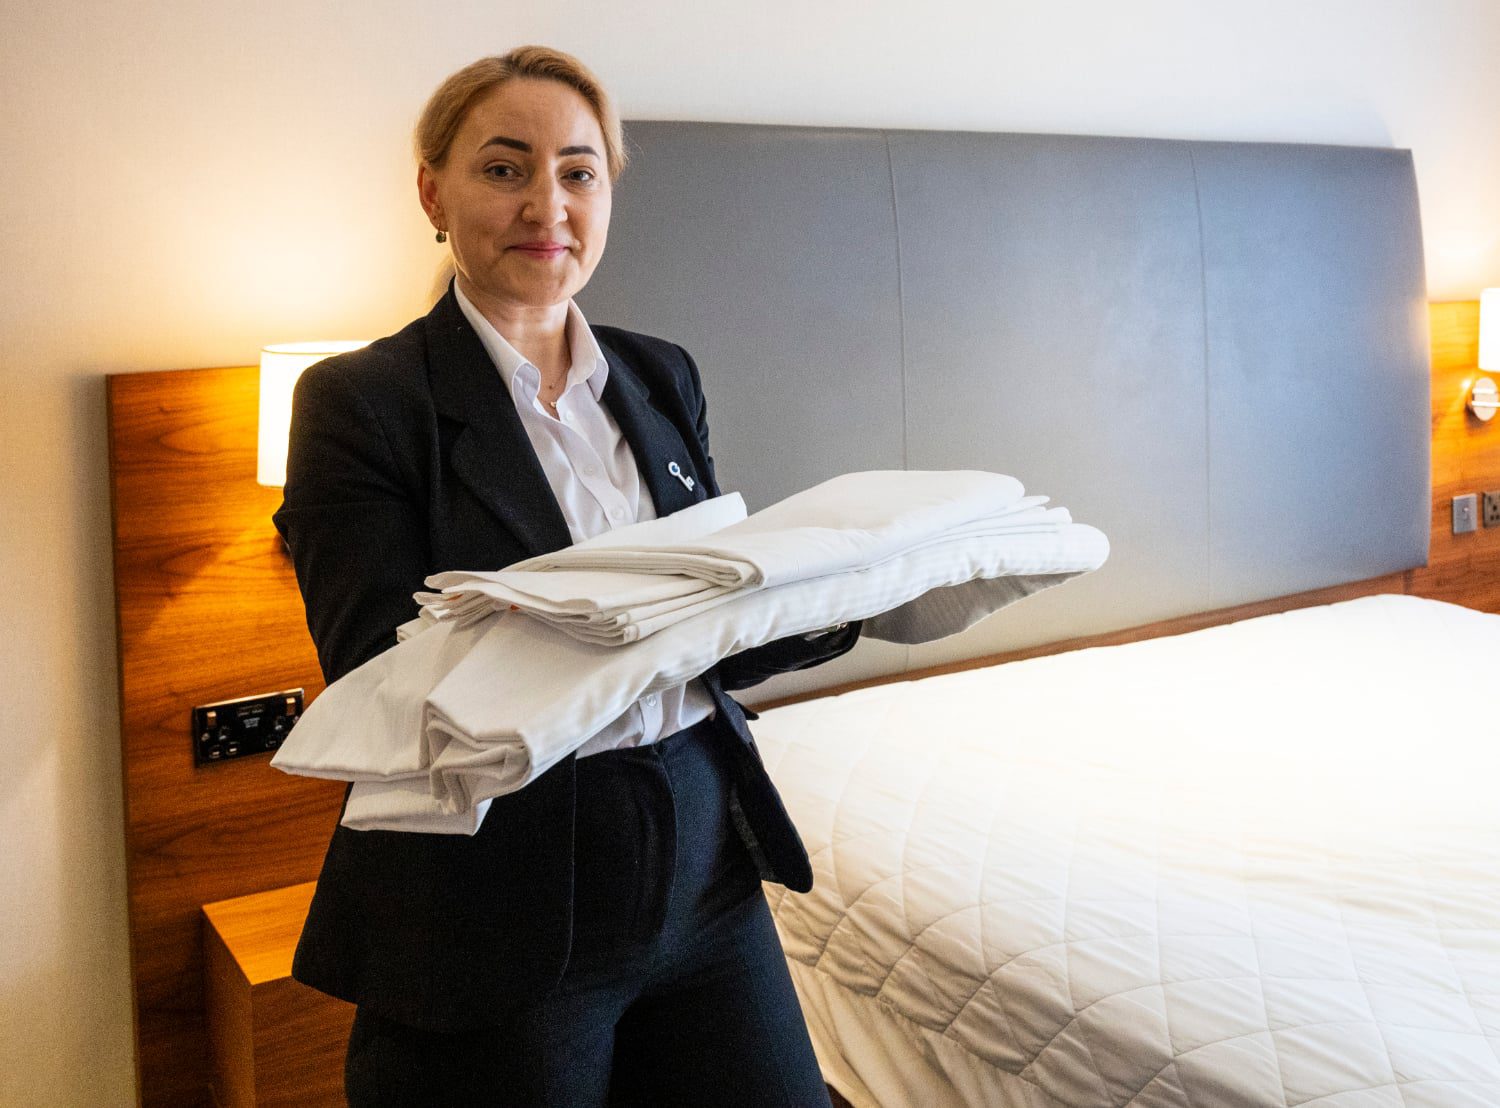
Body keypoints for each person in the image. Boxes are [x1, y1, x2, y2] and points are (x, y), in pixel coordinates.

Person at [273, 45, 860, 1107]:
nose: (548, 201)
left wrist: (844, 596)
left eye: (579, 172)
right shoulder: (363, 403)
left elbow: (713, 625)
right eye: (504, 168)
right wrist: (644, 625)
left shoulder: (657, 373)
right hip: (497, 892)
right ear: (433, 193)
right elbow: (379, 675)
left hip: (701, 862)